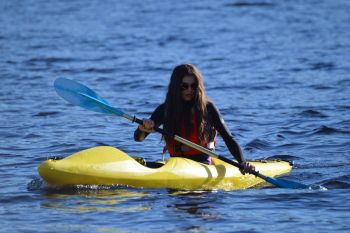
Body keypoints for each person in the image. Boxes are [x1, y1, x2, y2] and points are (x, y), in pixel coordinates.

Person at [134, 64, 255, 174]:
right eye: (184, 86)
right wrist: (143, 127)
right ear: (176, 87)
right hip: (175, 165)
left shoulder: (208, 108)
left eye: (193, 86)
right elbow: (138, 138)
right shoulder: (165, 109)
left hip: (202, 166)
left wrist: (242, 162)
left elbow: (229, 138)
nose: (189, 90)